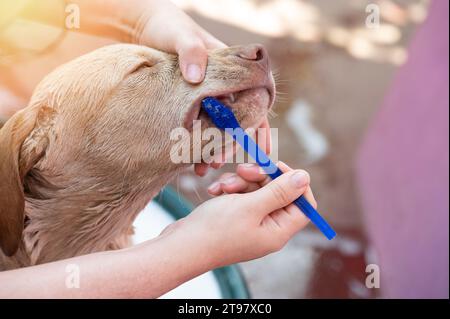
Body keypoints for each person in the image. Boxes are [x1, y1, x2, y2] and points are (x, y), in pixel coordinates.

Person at [0, 0, 316, 298]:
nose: (252, 52)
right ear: (37, 149)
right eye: (141, 70)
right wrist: (188, 252)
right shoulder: (33, 138)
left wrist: (146, 19)